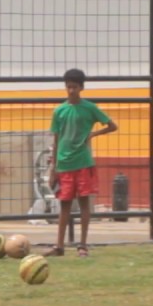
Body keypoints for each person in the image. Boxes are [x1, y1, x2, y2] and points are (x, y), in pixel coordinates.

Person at [43, 68, 119, 258]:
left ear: (81, 87)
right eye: (68, 87)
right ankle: (59, 246)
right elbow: (56, 139)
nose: (71, 91)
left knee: (84, 203)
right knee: (64, 206)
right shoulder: (59, 111)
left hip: (83, 163)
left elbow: (112, 125)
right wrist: (54, 168)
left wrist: (93, 134)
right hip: (64, 164)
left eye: (75, 87)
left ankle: (82, 245)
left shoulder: (90, 108)